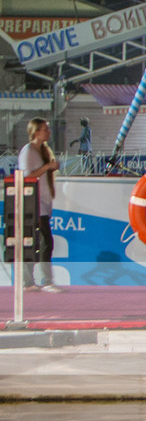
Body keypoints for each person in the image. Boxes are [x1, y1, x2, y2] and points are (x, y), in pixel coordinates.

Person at [17, 117, 60, 292]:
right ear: (36, 131)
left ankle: (31, 281)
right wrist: (48, 167)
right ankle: (43, 280)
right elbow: (27, 176)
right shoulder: (28, 151)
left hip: (42, 202)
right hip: (32, 203)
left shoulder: (43, 150)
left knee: (40, 242)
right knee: (42, 241)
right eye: (45, 129)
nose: (48, 132)